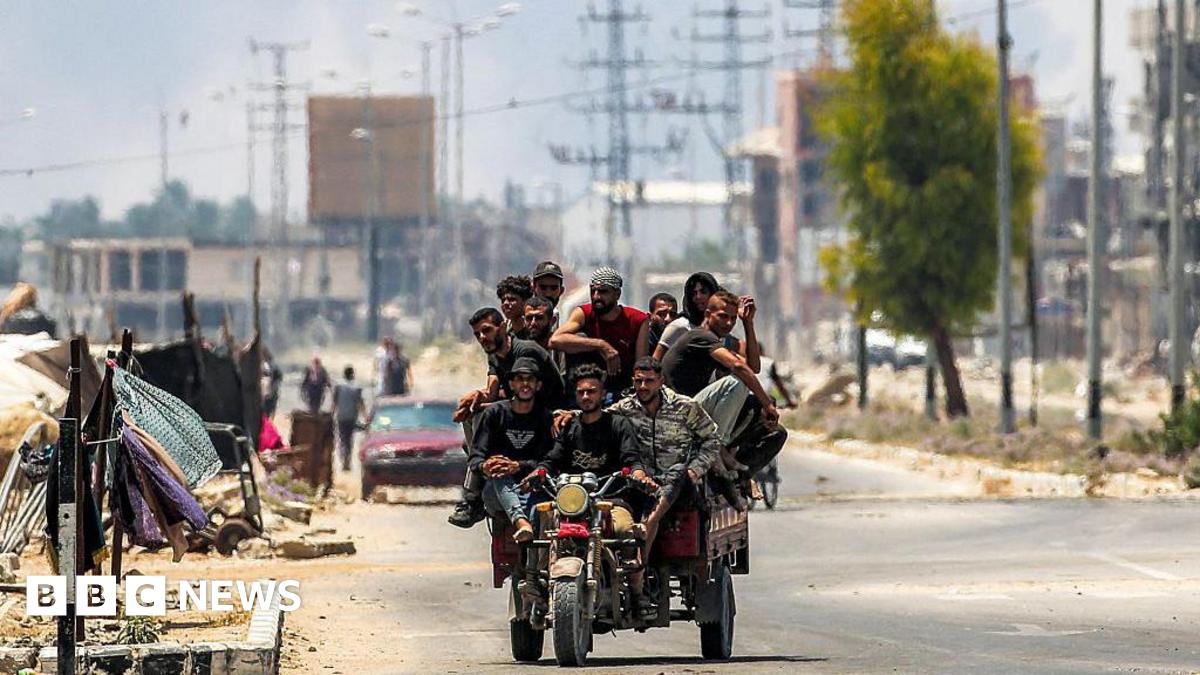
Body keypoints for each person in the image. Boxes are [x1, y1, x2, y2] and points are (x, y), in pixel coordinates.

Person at [611, 357, 723, 614]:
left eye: (649, 381)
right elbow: (596, 418)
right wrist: (567, 415)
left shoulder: (685, 407)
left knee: (676, 474)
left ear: (660, 381)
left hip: (681, 486)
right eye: (638, 381)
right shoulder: (625, 408)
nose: (643, 387)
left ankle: (644, 532)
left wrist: (696, 469)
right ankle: (633, 573)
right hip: (641, 484)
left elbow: (712, 439)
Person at [448, 307, 566, 528]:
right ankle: (485, 466)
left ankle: (472, 496)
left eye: (487, 330)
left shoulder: (525, 352)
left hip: (548, 411)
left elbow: (525, 393)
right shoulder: (494, 354)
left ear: (502, 327)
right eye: (477, 334)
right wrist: (475, 400)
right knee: (474, 414)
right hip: (522, 408)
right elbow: (494, 393)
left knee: (483, 415)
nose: (482, 338)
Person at [660, 290, 779, 443]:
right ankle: (716, 445)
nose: (728, 323)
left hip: (690, 409)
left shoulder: (715, 343)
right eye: (723, 316)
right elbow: (739, 367)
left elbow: (753, 368)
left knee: (756, 404)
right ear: (708, 314)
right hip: (675, 413)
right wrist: (767, 405)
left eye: (733, 318)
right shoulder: (700, 336)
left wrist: (748, 323)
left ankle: (728, 449)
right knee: (737, 382)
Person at [469, 357, 554, 543]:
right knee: (499, 471)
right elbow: (475, 458)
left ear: (538, 385)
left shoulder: (544, 417)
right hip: (497, 491)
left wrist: (518, 466)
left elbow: (548, 460)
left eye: (530, 379)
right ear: (511, 384)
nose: (525, 384)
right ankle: (520, 522)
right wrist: (486, 466)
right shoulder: (494, 413)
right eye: (520, 379)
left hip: (532, 487)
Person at [549, 266, 650, 398]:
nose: (596, 297)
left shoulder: (638, 319)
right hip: (586, 389)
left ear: (617, 294)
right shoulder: (584, 313)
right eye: (593, 291)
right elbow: (555, 340)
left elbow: (641, 366)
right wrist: (601, 345)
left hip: (623, 390)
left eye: (603, 292)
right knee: (579, 337)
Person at [653, 272, 761, 373]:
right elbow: (654, 366)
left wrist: (748, 323)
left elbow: (753, 368)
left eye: (703, 292)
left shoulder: (722, 333)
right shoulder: (680, 326)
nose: (698, 297)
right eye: (694, 293)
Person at [332, 366, 367, 472]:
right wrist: (366, 417)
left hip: (341, 417)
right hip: (352, 417)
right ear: (352, 374)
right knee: (349, 440)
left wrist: (331, 415)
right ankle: (347, 460)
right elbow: (360, 403)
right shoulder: (357, 387)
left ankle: (344, 458)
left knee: (342, 439)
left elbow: (334, 403)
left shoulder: (338, 386)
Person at [496, 275, 534, 339]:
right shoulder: (505, 331)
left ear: (525, 301)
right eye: (503, 300)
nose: (505, 303)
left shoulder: (534, 327)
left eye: (512, 299)